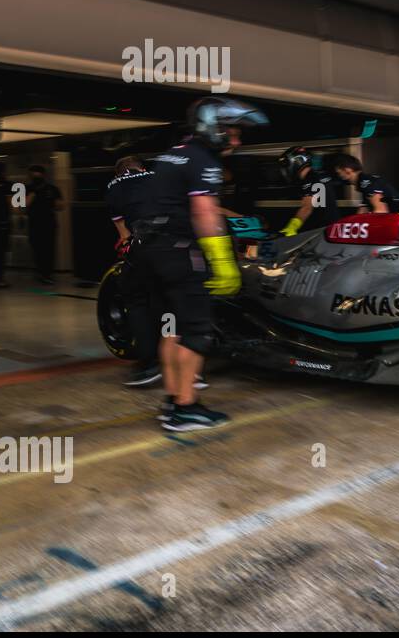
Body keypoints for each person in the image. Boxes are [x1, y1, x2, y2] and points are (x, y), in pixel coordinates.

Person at [140, 97, 268, 431]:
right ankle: (186, 408)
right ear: (213, 128)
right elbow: (204, 211)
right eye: (233, 133)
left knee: (172, 328)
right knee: (197, 331)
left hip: (155, 251)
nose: (237, 141)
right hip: (182, 252)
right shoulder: (202, 160)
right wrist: (222, 259)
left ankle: (171, 403)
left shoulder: (172, 154)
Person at [106, 156, 166, 387]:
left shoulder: (113, 188)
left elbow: (124, 236)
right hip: (180, 246)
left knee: (137, 301)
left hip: (146, 248)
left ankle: (150, 364)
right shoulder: (159, 177)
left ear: (117, 173)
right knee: (170, 300)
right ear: (142, 168)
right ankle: (186, 363)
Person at [277, 146, 342, 235]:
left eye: (286, 166)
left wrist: (291, 228)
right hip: (333, 229)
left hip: (321, 232)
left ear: (296, 162)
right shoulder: (321, 175)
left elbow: (307, 208)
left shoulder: (309, 179)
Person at [329, 154, 399, 214]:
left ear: (348, 170)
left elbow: (381, 210)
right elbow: (363, 211)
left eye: (339, 173)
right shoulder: (364, 182)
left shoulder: (366, 183)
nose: (339, 177)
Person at [25, 164, 63, 285]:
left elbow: (60, 206)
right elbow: (22, 206)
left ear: (43, 174)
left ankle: (47, 274)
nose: (34, 176)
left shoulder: (52, 189)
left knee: (49, 249)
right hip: (34, 224)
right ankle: (41, 272)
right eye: (32, 174)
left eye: (36, 173)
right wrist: (32, 195)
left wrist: (55, 204)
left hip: (49, 223)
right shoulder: (26, 189)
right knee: (37, 249)